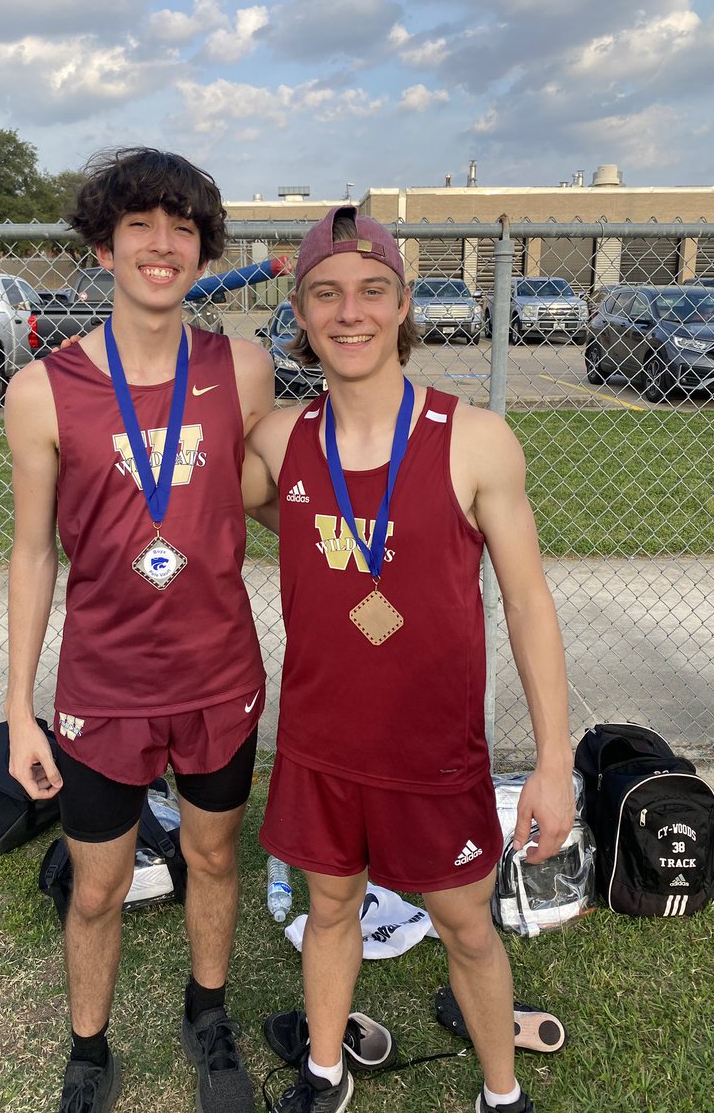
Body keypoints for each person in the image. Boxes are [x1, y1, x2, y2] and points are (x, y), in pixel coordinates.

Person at [242, 206, 576, 1113]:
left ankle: (500, 1094)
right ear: (302, 319)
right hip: (322, 743)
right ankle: (323, 1072)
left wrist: (553, 763)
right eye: (325, 295)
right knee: (332, 908)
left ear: (401, 307)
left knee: (466, 924)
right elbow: (184, 470)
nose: (350, 313)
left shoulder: (474, 439)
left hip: (433, 753)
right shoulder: (278, 442)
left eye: (371, 292)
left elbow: (529, 603)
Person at [4, 147, 273, 1113]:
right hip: (104, 688)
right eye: (141, 227)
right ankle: (88, 1050)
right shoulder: (41, 390)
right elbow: (33, 553)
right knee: (95, 887)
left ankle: (209, 1012)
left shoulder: (243, 369)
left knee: (212, 857)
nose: (163, 245)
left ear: (204, 249)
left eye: (184, 228)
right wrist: (19, 711)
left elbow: (271, 494)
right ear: (104, 245)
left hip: (218, 676)